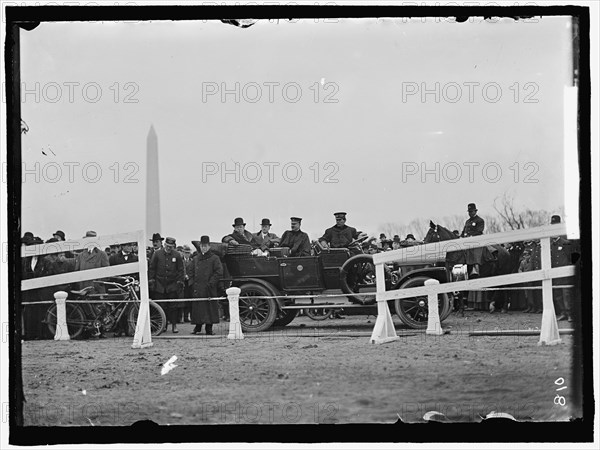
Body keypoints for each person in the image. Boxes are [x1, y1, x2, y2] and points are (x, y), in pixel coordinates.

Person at [148, 236, 185, 333]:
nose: (169, 248)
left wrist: (179, 282)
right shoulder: (157, 254)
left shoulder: (177, 255)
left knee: (173, 307)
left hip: (172, 285)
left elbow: (181, 270)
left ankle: (174, 325)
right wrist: (152, 280)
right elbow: (152, 268)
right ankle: (163, 325)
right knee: (161, 306)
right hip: (160, 285)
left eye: (171, 247)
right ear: (164, 245)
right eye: (167, 246)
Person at [189, 236, 223, 335]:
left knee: (209, 309)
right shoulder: (196, 258)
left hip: (209, 288)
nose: (203, 248)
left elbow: (219, 271)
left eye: (205, 246)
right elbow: (190, 270)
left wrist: (211, 282)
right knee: (198, 308)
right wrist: (192, 283)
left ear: (209, 246)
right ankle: (197, 327)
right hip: (198, 288)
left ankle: (209, 328)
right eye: (202, 246)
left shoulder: (214, 258)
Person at [549, 215, 574, 321]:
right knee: (557, 294)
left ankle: (570, 314)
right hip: (555, 273)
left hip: (564, 272)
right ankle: (563, 312)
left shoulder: (565, 241)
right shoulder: (550, 243)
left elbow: (571, 257)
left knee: (566, 294)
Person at [460, 203, 485, 277]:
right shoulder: (467, 222)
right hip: (466, 241)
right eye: (469, 212)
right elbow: (464, 231)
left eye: (471, 211)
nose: (470, 213)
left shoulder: (480, 220)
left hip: (476, 241)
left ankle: (476, 268)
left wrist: (470, 236)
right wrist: (461, 236)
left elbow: (479, 231)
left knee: (475, 251)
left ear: (475, 211)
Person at [181, 244, 194, 323]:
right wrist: (184, 276)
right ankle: (184, 317)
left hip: (190, 283)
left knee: (190, 300)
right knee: (183, 300)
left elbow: (193, 271)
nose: (187, 254)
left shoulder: (192, 261)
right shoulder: (181, 261)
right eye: (185, 252)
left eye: (188, 253)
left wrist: (189, 276)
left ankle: (190, 317)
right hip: (183, 283)